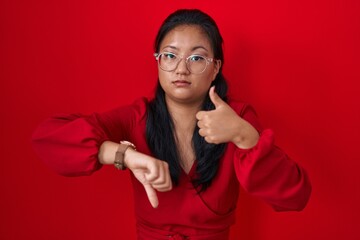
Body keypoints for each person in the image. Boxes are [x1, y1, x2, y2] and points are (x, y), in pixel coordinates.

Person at [32, 9, 311, 240]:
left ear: (215, 68)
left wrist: (243, 135)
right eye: (170, 55)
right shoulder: (137, 116)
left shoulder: (236, 117)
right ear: (157, 62)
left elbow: (295, 196)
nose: (181, 68)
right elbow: (47, 138)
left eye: (197, 58)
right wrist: (121, 154)